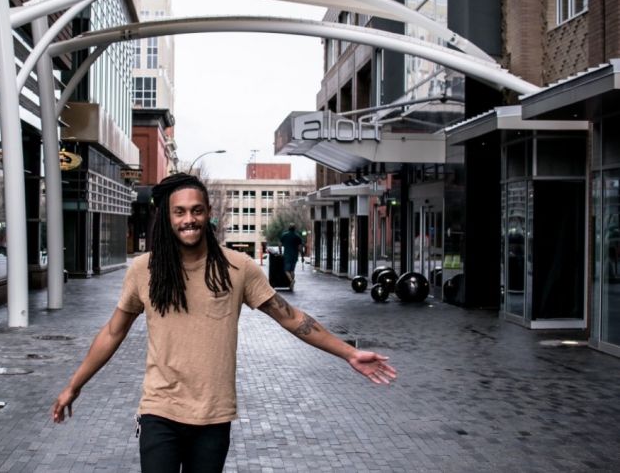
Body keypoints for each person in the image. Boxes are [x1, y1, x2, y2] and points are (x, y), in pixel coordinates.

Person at [51, 173, 397, 472]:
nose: (190, 219)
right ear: (167, 217)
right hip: (160, 411)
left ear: (208, 214)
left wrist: (347, 353)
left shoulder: (237, 268)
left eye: (197, 210)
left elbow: (291, 317)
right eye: (180, 212)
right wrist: (74, 385)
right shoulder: (145, 270)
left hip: (213, 416)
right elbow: (113, 331)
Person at [279, 223, 304, 289]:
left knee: (286, 270)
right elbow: (300, 248)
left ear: (288, 228)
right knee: (292, 270)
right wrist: (302, 257)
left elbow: (280, 245)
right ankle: (291, 286)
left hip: (287, 255)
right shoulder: (297, 236)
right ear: (294, 229)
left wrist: (281, 252)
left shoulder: (284, 235)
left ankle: (291, 281)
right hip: (295, 256)